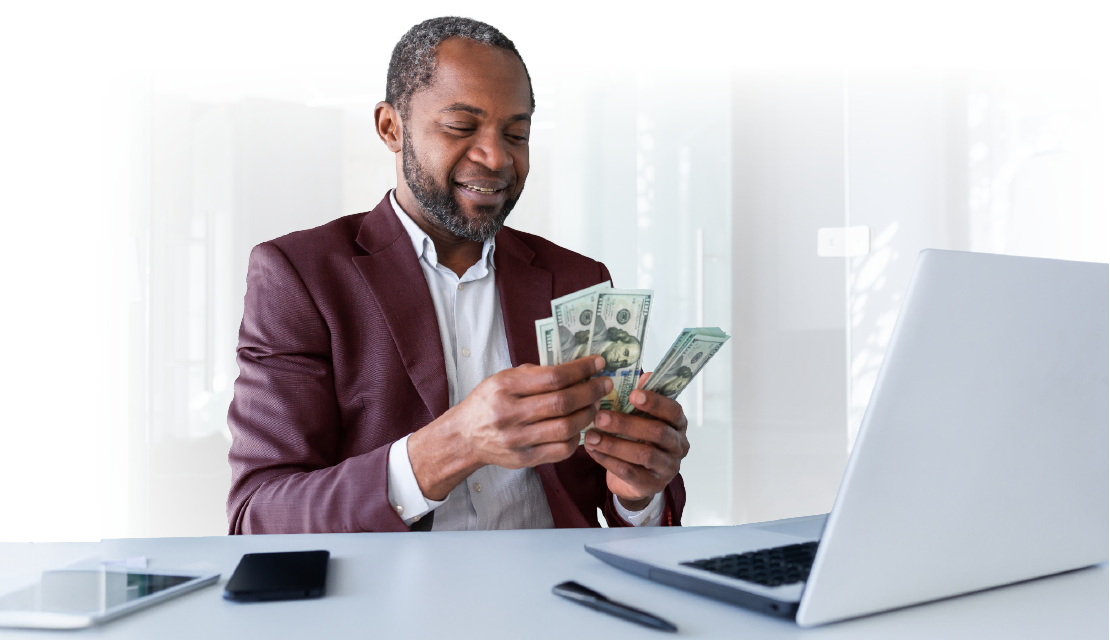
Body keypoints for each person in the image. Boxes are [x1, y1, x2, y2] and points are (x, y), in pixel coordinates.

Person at [226, 15, 689, 534]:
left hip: (562, 597)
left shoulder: (578, 277)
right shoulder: (300, 275)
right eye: (461, 127)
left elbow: (622, 505)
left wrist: (638, 492)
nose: (496, 157)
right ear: (391, 128)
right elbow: (258, 515)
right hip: (386, 606)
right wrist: (453, 445)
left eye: (516, 133)